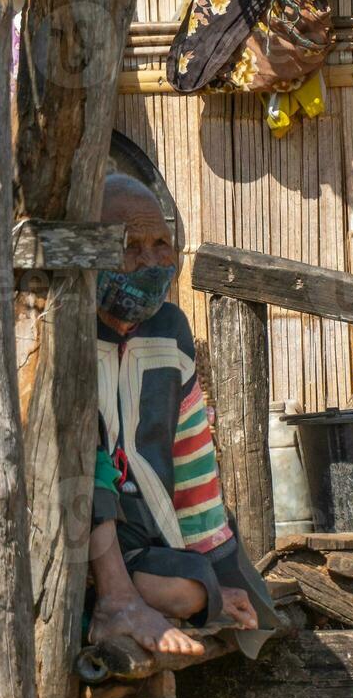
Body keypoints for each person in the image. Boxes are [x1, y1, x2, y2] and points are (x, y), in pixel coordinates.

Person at [87, 172, 277, 657]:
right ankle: (109, 594)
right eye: (130, 246)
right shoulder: (69, 325)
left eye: (162, 243)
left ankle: (145, 592)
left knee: (197, 589)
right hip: (81, 533)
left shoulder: (171, 330)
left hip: (150, 541)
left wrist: (216, 573)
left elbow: (192, 457)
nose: (151, 260)